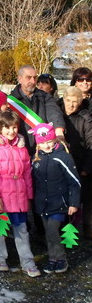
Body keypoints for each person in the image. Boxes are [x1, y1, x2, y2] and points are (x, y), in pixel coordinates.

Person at [0, 111, 41, 278]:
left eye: (14, 127)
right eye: (7, 127)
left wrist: (29, 196)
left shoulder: (22, 149)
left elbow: (27, 174)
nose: (11, 131)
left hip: (19, 197)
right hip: (2, 197)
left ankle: (27, 261)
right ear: (0, 128)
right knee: (0, 230)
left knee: (22, 230)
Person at [29, 123, 81, 274]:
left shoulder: (63, 157)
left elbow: (74, 181)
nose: (47, 145)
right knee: (48, 233)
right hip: (43, 204)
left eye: (49, 142)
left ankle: (62, 259)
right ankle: (53, 259)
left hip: (59, 203)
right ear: (38, 143)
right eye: (43, 143)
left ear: (55, 140)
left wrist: (74, 203)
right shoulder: (36, 159)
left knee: (53, 232)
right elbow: (32, 180)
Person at [58, 86, 92, 239]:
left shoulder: (85, 117)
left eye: (75, 102)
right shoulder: (57, 113)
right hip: (61, 164)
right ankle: (62, 231)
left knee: (81, 199)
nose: (71, 105)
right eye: (68, 101)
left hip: (80, 162)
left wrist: (86, 168)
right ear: (63, 99)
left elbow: (91, 144)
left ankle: (80, 231)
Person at [10, 65, 65, 157]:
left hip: (44, 149)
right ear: (19, 79)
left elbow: (54, 112)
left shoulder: (45, 97)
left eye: (35, 78)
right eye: (29, 78)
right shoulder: (11, 101)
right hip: (20, 151)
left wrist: (59, 130)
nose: (33, 81)